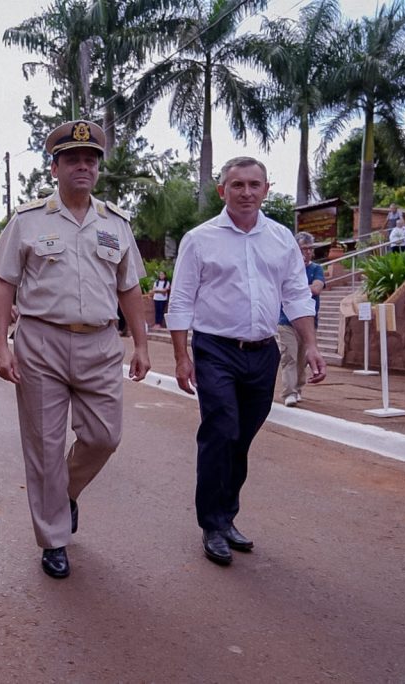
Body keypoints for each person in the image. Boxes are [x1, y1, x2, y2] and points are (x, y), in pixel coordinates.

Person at [0, 119, 151, 579]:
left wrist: (141, 342)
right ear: (54, 168)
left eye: (91, 160)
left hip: (100, 343)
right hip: (41, 342)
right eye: (73, 159)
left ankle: (66, 493)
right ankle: (54, 538)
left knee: (104, 437)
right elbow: (3, 285)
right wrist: (1, 346)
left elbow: (130, 287)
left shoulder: (115, 223)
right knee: (44, 445)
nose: (83, 166)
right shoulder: (28, 220)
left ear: (98, 169)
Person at [166, 156, 326, 566]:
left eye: (255, 184)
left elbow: (295, 295)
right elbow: (181, 299)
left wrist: (310, 345)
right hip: (215, 349)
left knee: (241, 438)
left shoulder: (280, 238)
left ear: (266, 189)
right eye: (237, 185)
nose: (247, 192)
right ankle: (212, 525)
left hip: (263, 351)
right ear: (223, 191)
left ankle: (228, 516)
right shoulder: (199, 239)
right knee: (221, 429)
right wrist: (182, 356)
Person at [277, 232, 325, 407]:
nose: (307, 252)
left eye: (310, 249)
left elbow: (317, 288)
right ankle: (288, 392)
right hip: (285, 321)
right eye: (304, 249)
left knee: (303, 358)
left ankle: (298, 388)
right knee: (289, 356)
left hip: (308, 322)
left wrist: (295, 288)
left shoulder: (316, 269)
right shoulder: (287, 268)